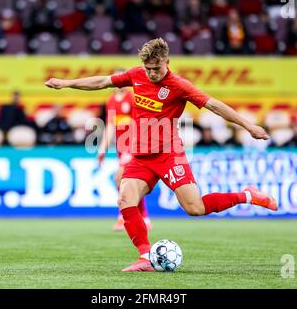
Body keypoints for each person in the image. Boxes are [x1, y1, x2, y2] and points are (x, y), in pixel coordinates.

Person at [45, 38, 277, 272]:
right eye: (148, 69)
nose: (152, 73)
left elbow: (213, 105)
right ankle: (145, 257)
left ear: (167, 61)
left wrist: (249, 126)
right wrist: (66, 83)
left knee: (195, 208)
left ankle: (248, 195)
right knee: (126, 198)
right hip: (141, 157)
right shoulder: (137, 74)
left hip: (169, 155)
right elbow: (102, 81)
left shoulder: (179, 85)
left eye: (157, 68)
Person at [98, 69, 152, 232]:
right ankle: (143, 216)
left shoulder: (132, 98)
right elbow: (110, 126)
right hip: (120, 148)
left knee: (120, 178)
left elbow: (139, 123)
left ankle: (123, 216)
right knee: (128, 182)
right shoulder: (111, 100)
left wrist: (133, 147)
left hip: (133, 146)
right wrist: (102, 149)